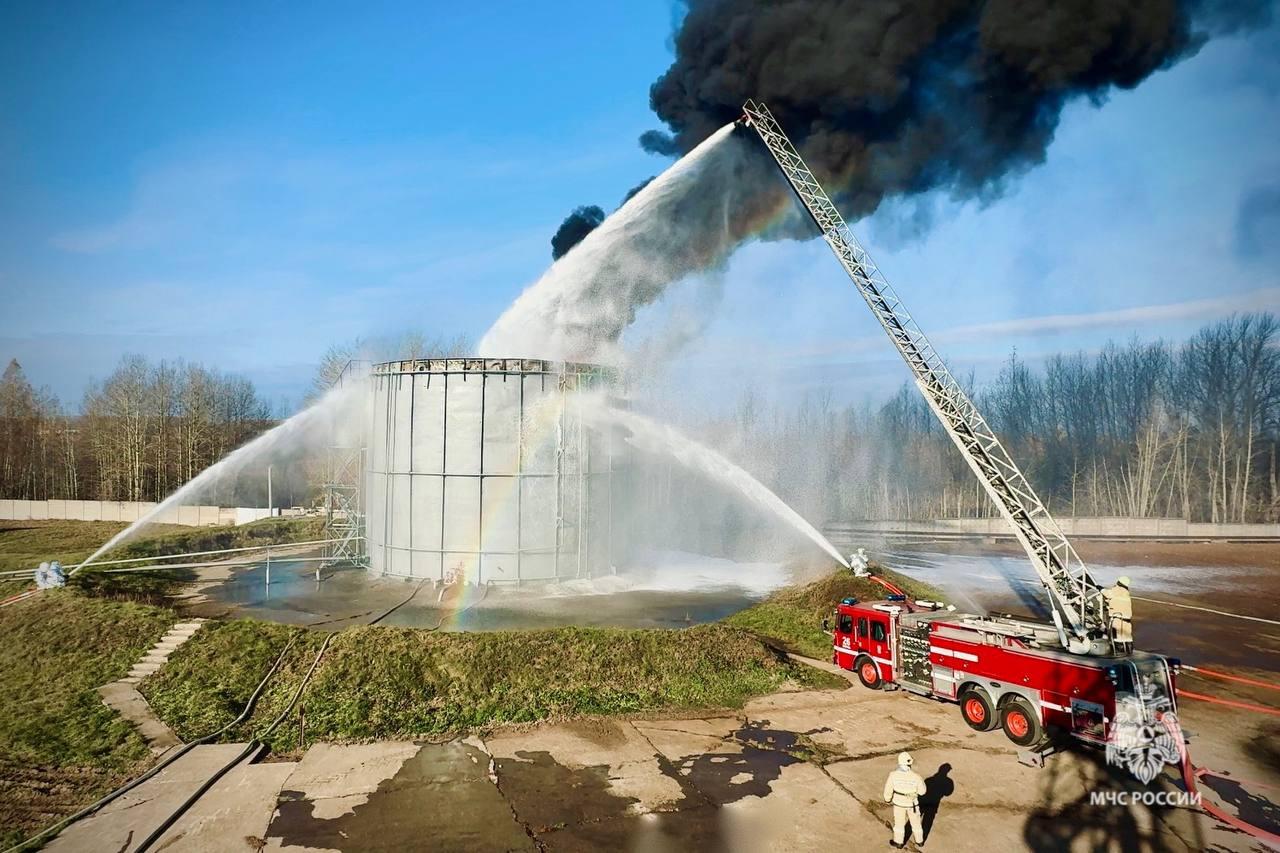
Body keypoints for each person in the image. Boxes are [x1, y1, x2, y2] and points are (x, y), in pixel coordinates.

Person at [883, 751, 926, 848]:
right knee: (916, 823)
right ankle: (920, 841)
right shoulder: (916, 777)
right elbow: (922, 792)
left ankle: (898, 842)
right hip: (913, 804)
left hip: (899, 804)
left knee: (899, 824)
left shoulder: (893, 775)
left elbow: (888, 789)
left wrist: (887, 799)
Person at [1102, 576, 1133, 653]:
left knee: (1116, 635)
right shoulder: (1125, 592)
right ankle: (1129, 650)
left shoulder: (1118, 589)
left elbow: (1108, 594)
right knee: (1127, 636)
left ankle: (1118, 651)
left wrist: (1101, 589)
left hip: (1117, 617)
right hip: (1126, 618)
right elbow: (1115, 601)